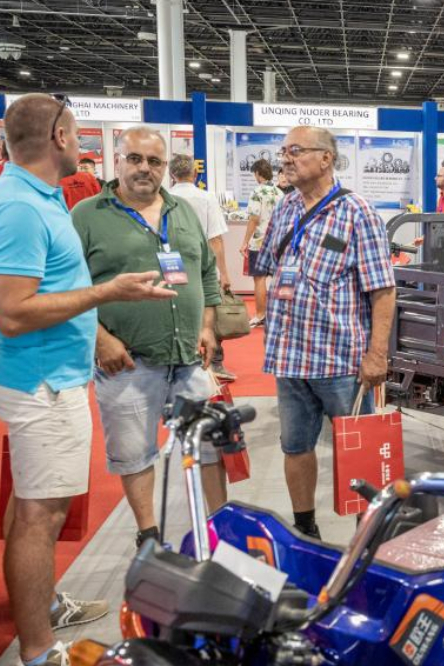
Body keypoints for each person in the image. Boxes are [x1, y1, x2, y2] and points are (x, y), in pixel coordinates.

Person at [0, 93, 175, 666]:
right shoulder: (18, 208)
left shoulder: (32, 197)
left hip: (49, 377)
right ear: (59, 134)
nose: (86, 141)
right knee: (41, 515)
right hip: (41, 382)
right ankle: (36, 656)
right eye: (79, 130)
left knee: (34, 503)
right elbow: (12, 312)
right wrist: (105, 294)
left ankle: (46, 604)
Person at [72, 127, 226, 550]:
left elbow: (206, 273)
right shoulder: (87, 215)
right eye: (135, 159)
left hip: (189, 360)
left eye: (154, 161)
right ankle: (149, 537)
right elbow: (66, 286)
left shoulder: (184, 211)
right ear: (117, 160)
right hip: (127, 362)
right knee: (135, 453)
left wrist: (208, 324)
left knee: (210, 446)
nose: (145, 168)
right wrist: (100, 339)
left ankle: (219, 531)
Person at [251, 126, 396, 540]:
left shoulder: (357, 213)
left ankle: (366, 538)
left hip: (341, 362)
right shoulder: (285, 208)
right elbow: (271, 266)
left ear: (326, 159)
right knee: (294, 447)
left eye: (295, 151)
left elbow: (383, 290)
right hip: (289, 357)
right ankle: (305, 530)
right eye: (283, 152)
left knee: (360, 456)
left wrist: (376, 354)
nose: (286, 159)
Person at [168, 153, 237, 381]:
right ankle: (215, 364)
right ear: (195, 173)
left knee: (176, 312)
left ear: (171, 175)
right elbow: (215, 239)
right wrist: (223, 273)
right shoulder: (206, 198)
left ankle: (180, 361)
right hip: (202, 266)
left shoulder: (164, 196)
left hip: (171, 264)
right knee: (210, 313)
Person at [239, 159, 282, 328]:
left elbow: (254, 219)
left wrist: (244, 241)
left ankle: (260, 314)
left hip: (259, 241)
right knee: (276, 279)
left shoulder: (257, 192)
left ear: (257, 173)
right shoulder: (280, 192)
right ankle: (274, 315)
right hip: (277, 242)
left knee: (259, 279)